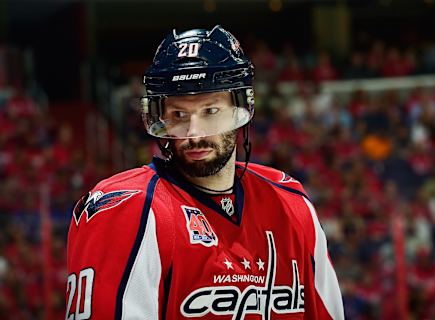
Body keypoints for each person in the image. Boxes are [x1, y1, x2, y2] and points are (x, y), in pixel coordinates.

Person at [66, 25, 344, 320]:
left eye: (210, 111)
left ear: (241, 109)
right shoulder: (126, 207)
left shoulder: (291, 204)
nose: (194, 133)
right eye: (178, 115)